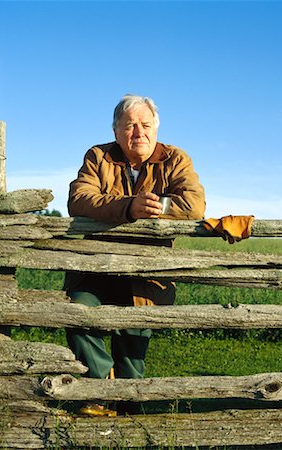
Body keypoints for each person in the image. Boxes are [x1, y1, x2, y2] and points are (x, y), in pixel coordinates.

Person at [64, 94, 205, 415]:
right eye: (129, 126)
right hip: (95, 267)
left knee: (133, 337)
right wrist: (127, 206)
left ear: (156, 128)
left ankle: (129, 402)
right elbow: (79, 198)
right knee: (79, 314)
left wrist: (154, 207)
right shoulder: (98, 157)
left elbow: (194, 204)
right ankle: (98, 392)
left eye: (145, 125)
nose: (138, 132)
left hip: (146, 273)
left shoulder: (174, 159)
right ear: (116, 131)